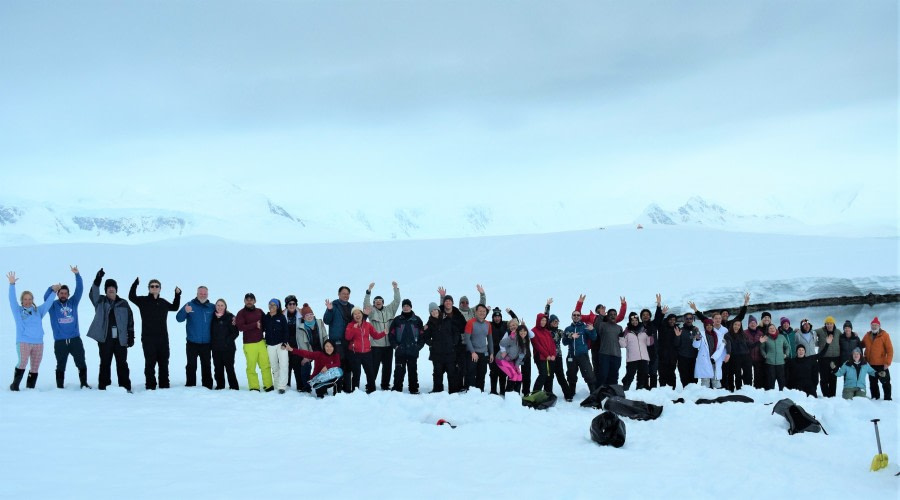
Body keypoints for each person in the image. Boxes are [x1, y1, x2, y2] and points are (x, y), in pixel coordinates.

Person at [128, 276, 181, 390]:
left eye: (157, 286)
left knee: (164, 363)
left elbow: (175, 307)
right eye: (152, 286)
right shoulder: (143, 301)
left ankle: (164, 385)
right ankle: (150, 386)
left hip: (163, 338)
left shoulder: (163, 303)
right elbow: (131, 297)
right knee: (150, 363)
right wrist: (135, 284)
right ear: (149, 288)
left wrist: (177, 295)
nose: (154, 288)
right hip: (148, 338)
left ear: (160, 289)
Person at [86, 268, 134, 392]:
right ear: (106, 290)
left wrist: (131, 335)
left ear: (116, 289)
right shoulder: (100, 301)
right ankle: (104, 387)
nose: (110, 289)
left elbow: (130, 320)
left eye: (112, 287)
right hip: (105, 338)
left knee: (122, 364)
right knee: (105, 363)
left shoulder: (123, 303)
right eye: (108, 287)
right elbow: (93, 292)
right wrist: (98, 279)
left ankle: (125, 387)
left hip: (121, 339)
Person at [44, 266, 90, 389]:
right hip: (60, 341)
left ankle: (84, 384)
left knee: (81, 362)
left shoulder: (73, 302)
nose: (63, 295)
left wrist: (77, 275)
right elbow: (45, 298)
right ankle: (60, 387)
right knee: (60, 365)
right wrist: (52, 289)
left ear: (68, 294)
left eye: (65, 293)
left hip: (75, 339)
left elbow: (80, 289)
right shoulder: (53, 306)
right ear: (58, 294)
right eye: (61, 293)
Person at [7, 271, 53, 390]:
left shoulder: (38, 311)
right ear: (22, 301)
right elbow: (12, 300)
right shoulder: (18, 311)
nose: (27, 301)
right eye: (25, 299)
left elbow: (48, 304)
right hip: (23, 341)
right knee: (22, 363)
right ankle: (15, 385)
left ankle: (30, 388)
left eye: (30, 299)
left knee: (35, 366)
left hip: (38, 342)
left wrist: (54, 292)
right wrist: (12, 285)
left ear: (32, 300)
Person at [363, 281, 401, 391]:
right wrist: (369, 291)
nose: (378, 302)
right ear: (374, 303)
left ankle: (385, 385)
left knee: (387, 367)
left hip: (388, 345)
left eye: (380, 301)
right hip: (375, 345)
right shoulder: (371, 311)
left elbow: (397, 301)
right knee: (374, 367)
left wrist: (395, 288)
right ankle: (370, 386)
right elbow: (366, 305)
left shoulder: (390, 310)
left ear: (383, 302)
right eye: (376, 301)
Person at [532, 299, 573, 399]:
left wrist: (572, 335)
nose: (556, 322)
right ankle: (548, 394)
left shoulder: (559, 331)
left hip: (557, 356)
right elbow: (544, 316)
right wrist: (547, 306)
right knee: (549, 376)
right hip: (548, 356)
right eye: (554, 321)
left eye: (557, 321)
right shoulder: (547, 330)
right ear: (550, 322)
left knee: (560, 376)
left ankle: (568, 395)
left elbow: (566, 335)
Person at [175, 286, 215, 389]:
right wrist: (185, 311)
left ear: (207, 294)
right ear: (197, 294)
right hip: (192, 342)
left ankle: (207, 386)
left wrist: (233, 318)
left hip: (206, 343)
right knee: (191, 365)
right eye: (201, 293)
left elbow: (223, 313)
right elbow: (179, 319)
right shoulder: (189, 305)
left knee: (206, 365)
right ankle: (190, 385)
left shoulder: (212, 307)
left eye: (205, 293)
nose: (203, 295)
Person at [424, 299, 464, 393]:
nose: (434, 312)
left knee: (452, 372)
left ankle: (453, 391)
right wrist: (432, 344)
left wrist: (453, 342)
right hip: (437, 354)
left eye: (435, 310)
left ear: (438, 310)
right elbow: (425, 337)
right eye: (432, 311)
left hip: (449, 352)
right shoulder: (429, 324)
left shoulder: (447, 320)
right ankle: (437, 390)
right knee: (437, 373)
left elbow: (456, 332)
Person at [235, 293, 272, 392]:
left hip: (261, 342)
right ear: (244, 301)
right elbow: (240, 327)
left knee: (265, 365)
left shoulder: (259, 311)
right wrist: (254, 325)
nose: (249, 301)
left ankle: (268, 385)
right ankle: (254, 387)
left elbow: (266, 323)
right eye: (247, 299)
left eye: (251, 299)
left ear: (255, 301)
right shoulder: (241, 313)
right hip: (249, 344)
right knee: (251, 367)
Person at [388, 299, 425, 394]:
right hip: (400, 350)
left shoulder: (417, 320)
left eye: (407, 306)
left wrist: (418, 347)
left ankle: (414, 389)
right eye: (404, 306)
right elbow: (391, 335)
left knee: (413, 370)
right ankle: (397, 388)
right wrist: (396, 346)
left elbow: (422, 335)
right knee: (399, 371)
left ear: (411, 307)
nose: (405, 307)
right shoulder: (397, 320)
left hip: (413, 351)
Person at [323, 286, 355, 393]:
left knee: (349, 364)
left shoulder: (352, 307)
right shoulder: (334, 305)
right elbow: (326, 321)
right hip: (337, 342)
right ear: (339, 294)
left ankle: (347, 387)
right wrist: (329, 310)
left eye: (347, 294)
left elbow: (357, 320)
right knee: (338, 364)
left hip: (349, 341)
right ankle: (338, 388)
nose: (345, 295)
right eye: (343, 293)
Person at [344, 306, 381, 393]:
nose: (357, 315)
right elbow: (348, 337)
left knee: (370, 373)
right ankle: (355, 391)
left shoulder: (368, 325)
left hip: (367, 353)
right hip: (354, 353)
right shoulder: (350, 325)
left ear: (362, 314)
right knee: (356, 373)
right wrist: (354, 328)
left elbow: (375, 335)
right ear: (353, 316)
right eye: (355, 314)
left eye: (359, 313)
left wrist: (384, 333)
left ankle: (372, 390)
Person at [293, 303, 327, 393]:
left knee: (323, 366)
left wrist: (326, 351)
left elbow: (325, 337)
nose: (309, 316)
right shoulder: (300, 328)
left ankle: (323, 386)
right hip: (309, 351)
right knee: (305, 364)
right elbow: (301, 343)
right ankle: (306, 387)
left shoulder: (319, 323)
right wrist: (306, 356)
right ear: (303, 318)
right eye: (307, 315)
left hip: (321, 350)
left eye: (311, 314)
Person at [563, 309, 597, 395]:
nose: (576, 316)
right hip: (571, 355)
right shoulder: (568, 329)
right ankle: (571, 392)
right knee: (571, 374)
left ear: (581, 317)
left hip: (583, 355)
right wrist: (571, 336)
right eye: (574, 315)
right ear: (571, 317)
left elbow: (594, 338)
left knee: (588, 373)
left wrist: (592, 330)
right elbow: (564, 342)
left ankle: (593, 392)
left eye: (578, 315)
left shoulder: (585, 327)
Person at [463, 303, 494, 391]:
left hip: (484, 353)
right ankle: (471, 392)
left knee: (482, 373)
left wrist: (491, 353)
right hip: (472, 353)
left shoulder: (488, 324)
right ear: (476, 312)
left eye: (484, 311)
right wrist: (473, 352)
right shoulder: (470, 322)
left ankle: (480, 391)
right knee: (471, 373)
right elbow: (467, 339)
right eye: (480, 311)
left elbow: (490, 339)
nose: (482, 313)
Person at [210, 299, 239, 390]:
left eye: (222, 305)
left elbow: (235, 332)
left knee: (229, 368)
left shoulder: (230, 317)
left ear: (225, 306)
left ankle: (234, 387)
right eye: (218, 305)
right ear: (215, 306)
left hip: (228, 348)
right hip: (216, 348)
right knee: (218, 368)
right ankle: (220, 385)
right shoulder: (212, 317)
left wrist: (227, 341)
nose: (220, 307)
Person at [619, 312, 654, 390]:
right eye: (632, 320)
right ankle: (625, 387)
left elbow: (649, 343)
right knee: (630, 374)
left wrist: (650, 335)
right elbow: (623, 345)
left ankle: (640, 388)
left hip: (643, 357)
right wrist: (621, 337)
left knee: (644, 373)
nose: (634, 322)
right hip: (632, 358)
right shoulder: (627, 332)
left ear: (638, 320)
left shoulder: (644, 331)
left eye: (636, 320)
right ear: (630, 321)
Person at [861, 317, 892, 401]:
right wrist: (855, 337)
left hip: (882, 364)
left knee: (885, 382)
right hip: (870, 364)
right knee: (873, 383)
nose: (874, 327)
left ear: (879, 326)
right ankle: (875, 398)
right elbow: (861, 345)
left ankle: (888, 399)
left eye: (876, 325)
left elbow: (890, 350)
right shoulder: (867, 335)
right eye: (872, 325)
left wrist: (887, 362)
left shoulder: (884, 335)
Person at [593, 307, 625, 386]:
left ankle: (612, 393)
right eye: (610, 314)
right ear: (607, 316)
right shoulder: (603, 325)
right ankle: (599, 392)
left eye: (614, 314)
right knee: (603, 375)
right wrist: (601, 315)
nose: (613, 316)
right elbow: (596, 328)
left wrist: (622, 337)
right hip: (604, 354)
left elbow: (622, 343)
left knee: (614, 376)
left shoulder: (619, 328)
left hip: (617, 355)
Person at [263, 298, 290, 394]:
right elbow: (261, 329)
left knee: (283, 365)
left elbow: (286, 331)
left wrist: (284, 343)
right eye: (270, 304)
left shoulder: (281, 317)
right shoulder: (265, 317)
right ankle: (277, 384)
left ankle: (282, 386)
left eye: (274, 304)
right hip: (270, 345)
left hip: (281, 344)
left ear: (277, 307)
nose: (271, 306)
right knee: (274, 366)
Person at [497, 325, 530, 394]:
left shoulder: (525, 341)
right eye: (521, 331)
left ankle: (516, 395)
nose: (523, 332)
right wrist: (510, 337)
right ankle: (508, 395)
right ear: (518, 332)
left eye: (524, 331)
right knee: (513, 375)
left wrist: (517, 366)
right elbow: (501, 343)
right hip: (501, 359)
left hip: (510, 361)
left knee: (519, 376)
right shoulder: (514, 338)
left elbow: (521, 356)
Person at [692, 319, 724, 389]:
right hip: (705, 360)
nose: (709, 326)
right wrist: (697, 339)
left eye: (710, 325)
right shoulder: (701, 334)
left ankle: (718, 396)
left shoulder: (718, 335)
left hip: (715, 360)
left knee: (716, 380)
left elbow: (721, 347)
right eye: (707, 325)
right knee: (705, 381)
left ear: (712, 326)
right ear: (704, 326)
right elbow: (695, 346)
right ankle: (705, 396)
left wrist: (714, 357)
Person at [814, 316, 840, 398]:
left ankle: (832, 396)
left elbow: (845, 338)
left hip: (835, 358)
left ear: (833, 324)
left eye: (831, 323)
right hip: (823, 358)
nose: (829, 325)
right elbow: (810, 332)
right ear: (825, 324)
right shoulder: (820, 331)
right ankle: (826, 395)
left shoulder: (838, 332)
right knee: (824, 378)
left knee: (833, 378)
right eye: (827, 324)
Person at [723, 319, 752, 391]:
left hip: (746, 356)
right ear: (732, 325)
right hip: (735, 357)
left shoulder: (743, 334)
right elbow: (728, 345)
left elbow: (749, 345)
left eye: (739, 325)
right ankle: (737, 389)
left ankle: (748, 389)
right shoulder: (727, 335)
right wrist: (728, 353)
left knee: (748, 374)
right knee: (737, 374)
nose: (737, 326)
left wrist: (759, 342)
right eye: (735, 324)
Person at [759, 324, 790, 390]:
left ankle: (782, 396)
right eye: (770, 328)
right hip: (770, 363)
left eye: (773, 328)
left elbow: (787, 346)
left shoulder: (781, 337)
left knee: (782, 382)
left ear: (776, 329)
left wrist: (786, 354)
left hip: (781, 363)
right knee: (770, 382)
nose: (772, 329)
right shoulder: (766, 338)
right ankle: (771, 396)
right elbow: (762, 348)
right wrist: (764, 355)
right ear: (768, 330)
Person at [283, 295, 303, 390]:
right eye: (289, 304)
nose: (292, 305)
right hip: (285, 344)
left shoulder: (300, 315)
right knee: (286, 365)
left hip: (297, 344)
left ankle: (300, 386)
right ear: (286, 305)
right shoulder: (282, 315)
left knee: (297, 366)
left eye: (293, 303)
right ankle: (287, 385)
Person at [673, 313, 699, 387]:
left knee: (694, 378)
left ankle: (694, 394)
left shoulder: (696, 329)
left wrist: (697, 335)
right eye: (687, 318)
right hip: (683, 357)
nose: (688, 320)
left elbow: (700, 342)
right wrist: (677, 336)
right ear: (684, 320)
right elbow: (676, 344)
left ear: (693, 320)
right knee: (685, 378)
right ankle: (686, 393)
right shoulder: (680, 330)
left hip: (694, 357)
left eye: (690, 318)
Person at [488, 307, 509, 395]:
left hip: (503, 352)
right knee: (493, 372)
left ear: (501, 317)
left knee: (503, 372)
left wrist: (510, 312)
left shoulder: (505, 324)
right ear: (493, 317)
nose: (497, 318)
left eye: (499, 316)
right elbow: (481, 319)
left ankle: (503, 390)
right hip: (492, 351)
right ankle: (493, 390)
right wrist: (487, 311)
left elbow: (515, 321)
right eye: (495, 317)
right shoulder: (489, 324)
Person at [745, 315, 766, 389]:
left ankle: (758, 389)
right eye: (751, 323)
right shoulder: (744, 333)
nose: (753, 324)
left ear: (756, 324)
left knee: (758, 375)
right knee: (748, 375)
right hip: (748, 358)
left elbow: (764, 345)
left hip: (758, 357)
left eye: (754, 322)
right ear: (748, 324)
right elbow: (747, 345)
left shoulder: (760, 333)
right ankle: (748, 388)